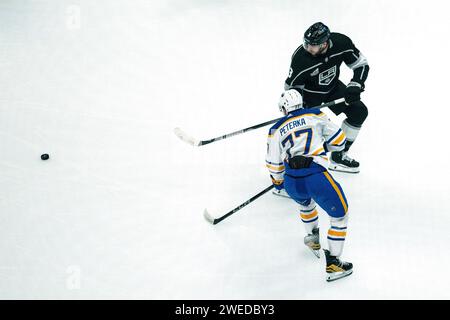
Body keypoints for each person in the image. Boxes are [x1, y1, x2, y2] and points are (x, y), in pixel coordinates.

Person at [266, 89, 353, 282]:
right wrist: (323, 146)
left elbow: (273, 165)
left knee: (306, 204)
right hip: (315, 175)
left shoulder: (275, 129)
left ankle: (312, 238)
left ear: (283, 108)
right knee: (340, 216)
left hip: (292, 181)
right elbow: (339, 141)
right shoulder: (315, 114)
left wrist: (278, 182)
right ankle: (334, 263)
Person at [284, 22, 369, 174]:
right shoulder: (300, 58)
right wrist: (295, 109)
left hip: (333, 88)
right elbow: (291, 87)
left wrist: (356, 84)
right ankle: (296, 166)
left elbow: (361, 64)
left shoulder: (342, 43)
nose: (308, 48)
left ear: (324, 44)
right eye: (306, 43)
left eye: (313, 45)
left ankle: (339, 155)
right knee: (304, 131)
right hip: (309, 95)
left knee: (359, 112)